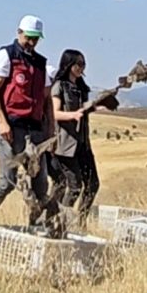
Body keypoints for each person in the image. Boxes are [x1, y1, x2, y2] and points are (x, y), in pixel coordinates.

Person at [0, 15, 54, 224]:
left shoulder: (41, 64)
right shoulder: (6, 56)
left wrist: (51, 130)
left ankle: (38, 225)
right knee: (8, 180)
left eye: (36, 39)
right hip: (11, 127)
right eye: (28, 37)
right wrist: (1, 122)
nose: (31, 42)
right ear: (19, 33)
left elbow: (47, 99)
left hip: (36, 130)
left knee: (40, 183)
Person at [50, 49, 100, 223]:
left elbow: (84, 109)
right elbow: (54, 113)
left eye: (83, 64)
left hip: (83, 144)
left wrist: (96, 105)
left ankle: (81, 221)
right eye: (78, 63)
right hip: (65, 145)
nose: (81, 67)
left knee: (93, 184)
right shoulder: (59, 86)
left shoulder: (81, 88)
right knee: (74, 187)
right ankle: (59, 221)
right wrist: (72, 115)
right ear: (68, 64)